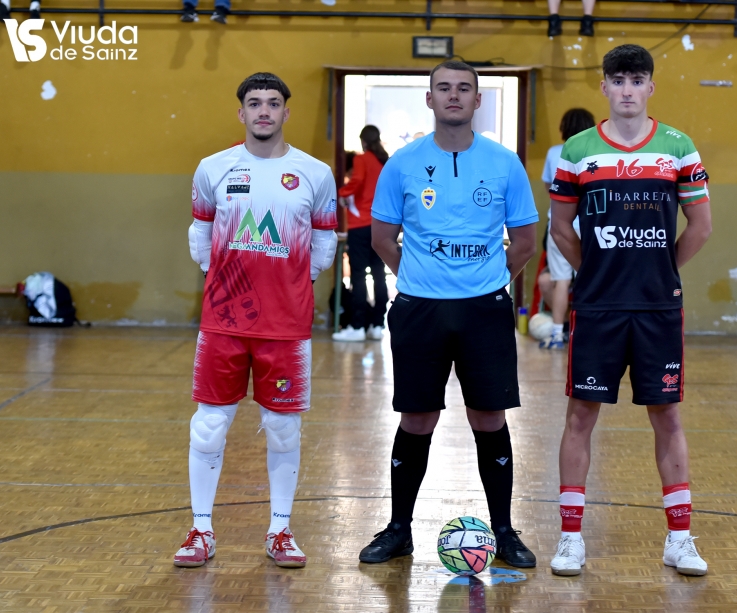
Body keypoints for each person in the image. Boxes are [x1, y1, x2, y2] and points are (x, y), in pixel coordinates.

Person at [359, 60, 539, 568]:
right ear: (429, 99)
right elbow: (382, 238)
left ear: (478, 100)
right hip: (420, 311)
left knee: (489, 417)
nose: (453, 95)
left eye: (464, 89)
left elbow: (525, 242)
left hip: (485, 310)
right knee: (417, 418)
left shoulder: (505, 163)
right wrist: (421, 278)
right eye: (444, 88)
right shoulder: (402, 164)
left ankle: (504, 531)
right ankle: (399, 530)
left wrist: (487, 281)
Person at [548, 44, 712, 577]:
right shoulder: (577, 150)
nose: (626, 90)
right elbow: (560, 227)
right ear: (604, 87)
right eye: (617, 80)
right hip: (598, 307)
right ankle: (570, 539)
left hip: (657, 308)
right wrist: (596, 270)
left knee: (667, 415)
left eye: (636, 80)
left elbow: (701, 226)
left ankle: (680, 539)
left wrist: (662, 270)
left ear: (650, 87)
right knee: (580, 415)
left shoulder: (678, 147)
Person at [175, 72, 338, 569]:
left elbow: (324, 244)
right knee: (208, 427)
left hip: (285, 328)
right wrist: (227, 283)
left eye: (272, 103)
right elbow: (201, 237)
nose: (263, 110)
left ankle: (280, 531)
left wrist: (290, 286)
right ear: (241, 112)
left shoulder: (315, 173)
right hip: (223, 322)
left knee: (284, 429)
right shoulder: (213, 168)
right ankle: (201, 531)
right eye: (254, 103)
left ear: (286, 112)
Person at [539, 108, 595, 350]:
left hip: (561, 225)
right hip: (590, 225)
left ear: (564, 128)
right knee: (591, 278)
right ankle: (590, 332)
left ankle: (556, 335)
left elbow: (549, 187)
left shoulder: (554, 153)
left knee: (561, 280)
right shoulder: (595, 152)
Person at [333, 126, 390, 342]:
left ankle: (357, 327)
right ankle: (377, 325)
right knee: (378, 273)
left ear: (362, 141)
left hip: (360, 225)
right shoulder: (384, 161)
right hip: (380, 225)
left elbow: (356, 182)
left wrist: (342, 193)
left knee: (358, 274)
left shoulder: (362, 159)